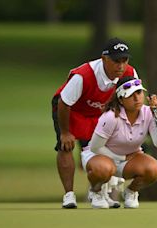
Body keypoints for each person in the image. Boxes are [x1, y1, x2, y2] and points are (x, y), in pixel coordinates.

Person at [52, 37, 139, 209]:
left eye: (124, 60)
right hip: (70, 110)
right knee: (66, 146)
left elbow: (130, 100)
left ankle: (99, 192)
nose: (121, 66)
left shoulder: (129, 73)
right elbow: (64, 103)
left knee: (105, 149)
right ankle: (69, 195)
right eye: (116, 61)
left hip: (98, 114)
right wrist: (65, 132)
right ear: (104, 59)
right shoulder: (84, 75)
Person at [82, 76, 157, 209]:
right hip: (99, 156)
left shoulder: (148, 113)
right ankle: (96, 192)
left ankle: (131, 192)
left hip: (128, 161)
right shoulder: (111, 117)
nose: (137, 98)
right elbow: (96, 147)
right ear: (121, 100)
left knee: (153, 169)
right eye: (130, 95)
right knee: (104, 169)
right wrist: (122, 157)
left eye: (139, 92)